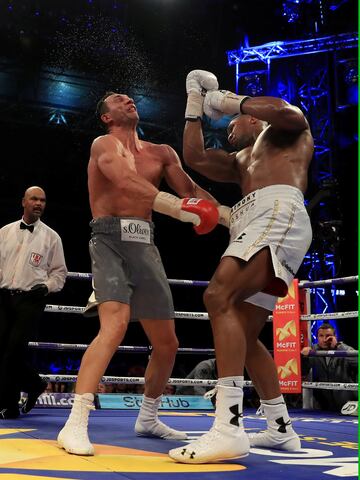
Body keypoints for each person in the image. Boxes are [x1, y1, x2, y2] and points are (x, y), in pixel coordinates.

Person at [57, 90, 226, 455]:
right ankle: (75, 422)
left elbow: (190, 190)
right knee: (114, 326)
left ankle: (148, 416)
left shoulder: (162, 153)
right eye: (118, 99)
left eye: (129, 97)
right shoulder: (103, 144)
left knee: (167, 343)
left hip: (145, 243)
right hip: (109, 240)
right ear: (106, 116)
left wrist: (227, 215)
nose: (127, 99)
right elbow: (123, 181)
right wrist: (175, 207)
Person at [169, 70, 314, 463]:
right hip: (256, 222)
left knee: (218, 295)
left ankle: (228, 427)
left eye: (233, 122)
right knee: (245, 337)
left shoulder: (282, 131)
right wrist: (195, 104)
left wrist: (227, 99)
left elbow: (286, 112)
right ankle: (280, 428)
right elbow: (195, 157)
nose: (228, 129)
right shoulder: (239, 162)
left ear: (252, 118)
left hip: (276, 213)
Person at [0, 186, 67, 419]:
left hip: (31, 299)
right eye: (34, 199)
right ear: (23, 202)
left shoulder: (52, 237)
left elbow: (59, 273)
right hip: (3, 297)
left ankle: (9, 406)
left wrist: (46, 287)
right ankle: (35, 385)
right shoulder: (4, 232)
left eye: (43, 200)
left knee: (12, 352)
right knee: (4, 353)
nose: (39, 203)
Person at [301, 322, 358, 412]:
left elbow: (357, 363)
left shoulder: (343, 349)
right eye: (321, 336)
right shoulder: (313, 351)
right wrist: (303, 358)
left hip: (348, 405)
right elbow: (303, 372)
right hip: (324, 407)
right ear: (317, 337)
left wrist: (338, 346)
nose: (324, 339)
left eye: (328, 335)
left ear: (335, 336)